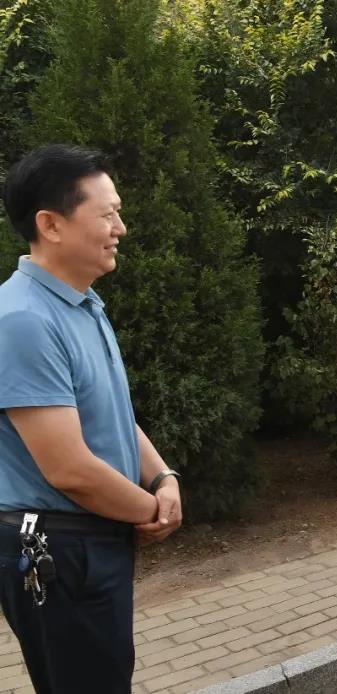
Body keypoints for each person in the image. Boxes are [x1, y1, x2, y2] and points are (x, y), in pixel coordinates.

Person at [0, 144, 182, 693]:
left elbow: (114, 414)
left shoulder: (81, 304)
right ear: (51, 225)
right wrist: (151, 511)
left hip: (93, 541)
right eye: (107, 215)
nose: (120, 228)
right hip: (62, 550)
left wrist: (163, 477)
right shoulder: (23, 319)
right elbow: (69, 469)